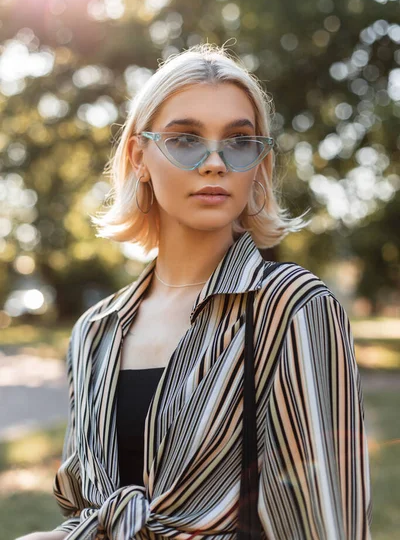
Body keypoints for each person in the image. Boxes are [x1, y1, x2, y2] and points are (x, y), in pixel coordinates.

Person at [17, 43, 372, 540]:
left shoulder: (292, 307)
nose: (213, 162)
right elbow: (89, 515)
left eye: (239, 141)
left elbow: (330, 524)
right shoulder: (93, 333)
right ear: (140, 157)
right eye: (185, 139)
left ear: (259, 163)